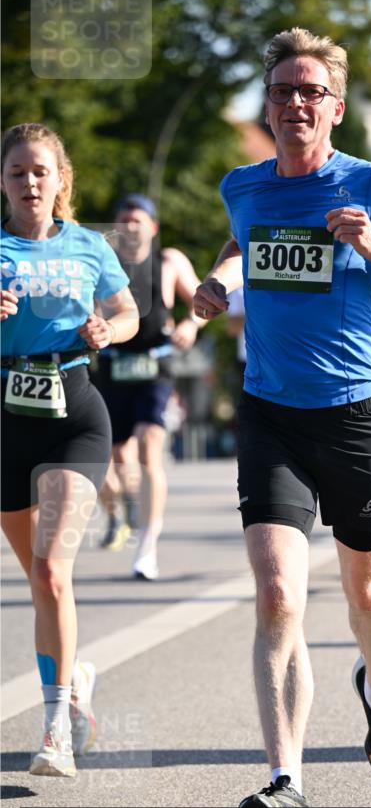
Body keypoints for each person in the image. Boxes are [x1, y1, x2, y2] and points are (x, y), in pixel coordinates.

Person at [193, 27, 371, 808]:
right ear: (268, 107)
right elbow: (241, 244)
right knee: (277, 593)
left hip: (354, 414)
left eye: (311, 91)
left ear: (335, 109)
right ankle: (287, 782)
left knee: (368, 595)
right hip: (270, 412)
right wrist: (216, 281)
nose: (296, 102)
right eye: (282, 91)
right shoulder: (243, 186)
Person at [0, 122, 139, 776]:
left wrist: (108, 328)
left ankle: (54, 728)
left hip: (73, 410)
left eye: (40, 171)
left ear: (61, 181)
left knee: (53, 570)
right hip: (6, 418)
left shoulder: (89, 245)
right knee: (39, 580)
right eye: (18, 172)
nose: (30, 182)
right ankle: (76, 681)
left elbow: (129, 311)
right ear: (3, 182)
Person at [94, 194, 203, 579]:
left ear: (153, 227)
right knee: (113, 457)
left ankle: (147, 547)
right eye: (124, 220)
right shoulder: (104, 264)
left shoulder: (170, 262)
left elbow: (203, 300)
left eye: (138, 220)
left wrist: (191, 324)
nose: (131, 227)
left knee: (149, 446)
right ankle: (123, 510)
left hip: (155, 367)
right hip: (113, 367)